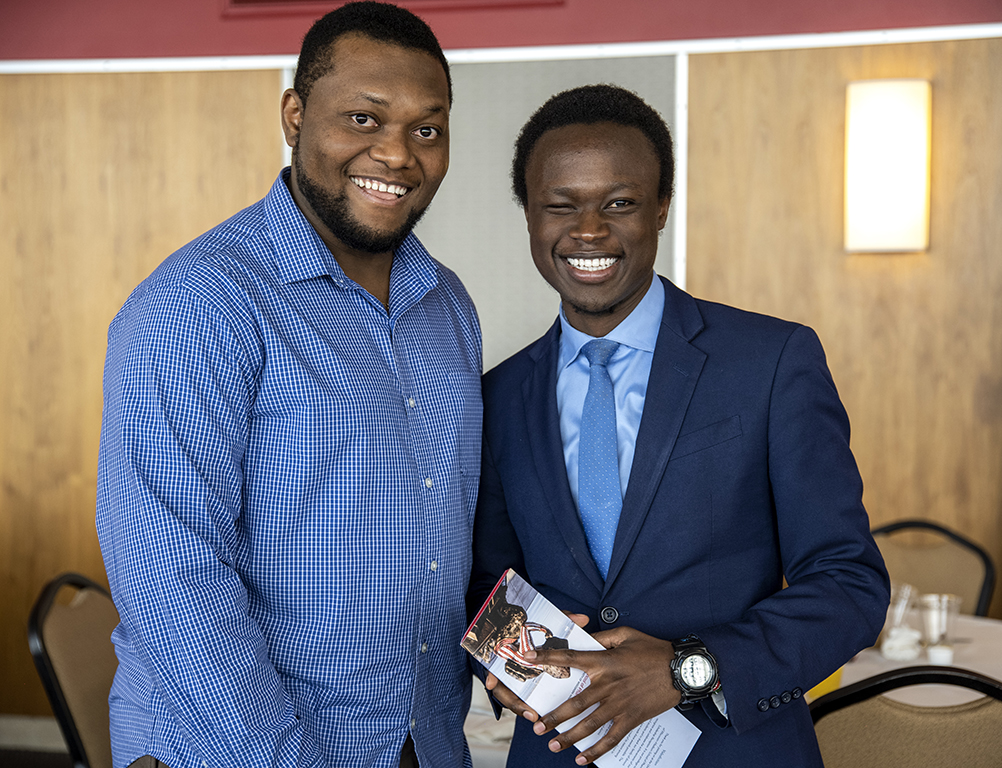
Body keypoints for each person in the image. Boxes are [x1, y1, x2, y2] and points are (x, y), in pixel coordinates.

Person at [95, 4, 481, 767]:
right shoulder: (200, 303)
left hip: (418, 737)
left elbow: (442, 528)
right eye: (363, 118)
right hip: (239, 748)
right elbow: (170, 574)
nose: (397, 153)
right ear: (295, 115)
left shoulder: (448, 305)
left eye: (426, 129)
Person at [467, 84, 889, 767]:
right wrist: (511, 661)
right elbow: (484, 580)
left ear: (661, 205)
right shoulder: (498, 395)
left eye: (620, 203)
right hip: (557, 750)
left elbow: (849, 585)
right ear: (529, 216)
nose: (589, 231)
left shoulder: (771, 362)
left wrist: (683, 669)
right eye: (560, 205)